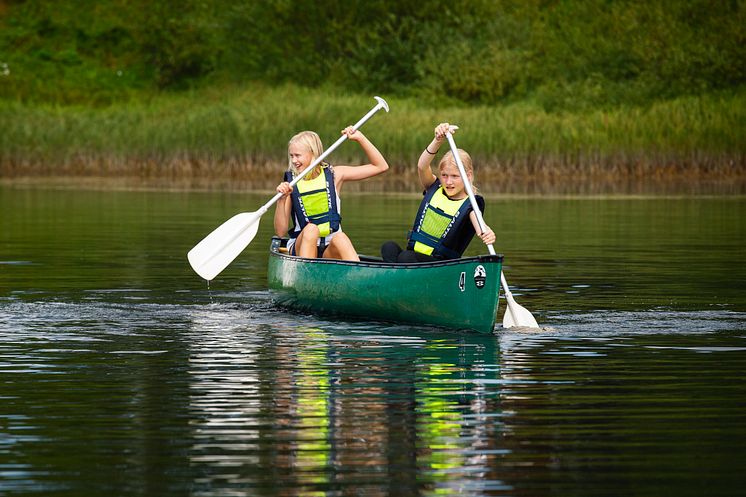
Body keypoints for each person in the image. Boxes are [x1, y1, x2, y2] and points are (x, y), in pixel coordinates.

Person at [381, 122, 495, 263]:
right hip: (414, 258)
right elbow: (422, 166)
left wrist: (488, 233)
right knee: (389, 247)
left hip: (439, 263)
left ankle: (396, 277)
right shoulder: (434, 187)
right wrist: (437, 140)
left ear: (468, 175)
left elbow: (481, 227)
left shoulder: (470, 204)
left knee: (405, 257)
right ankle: (394, 278)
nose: (448, 182)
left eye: (454, 176)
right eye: (444, 175)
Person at [274, 127, 389, 261]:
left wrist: (360, 138)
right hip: (301, 246)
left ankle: (359, 277)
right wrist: (281, 200)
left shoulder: (335, 175)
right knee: (311, 229)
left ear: (313, 153)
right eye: (291, 155)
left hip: (329, 247)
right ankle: (306, 276)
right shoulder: (291, 184)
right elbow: (281, 232)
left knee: (340, 237)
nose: (294, 160)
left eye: (298, 155)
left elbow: (381, 166)